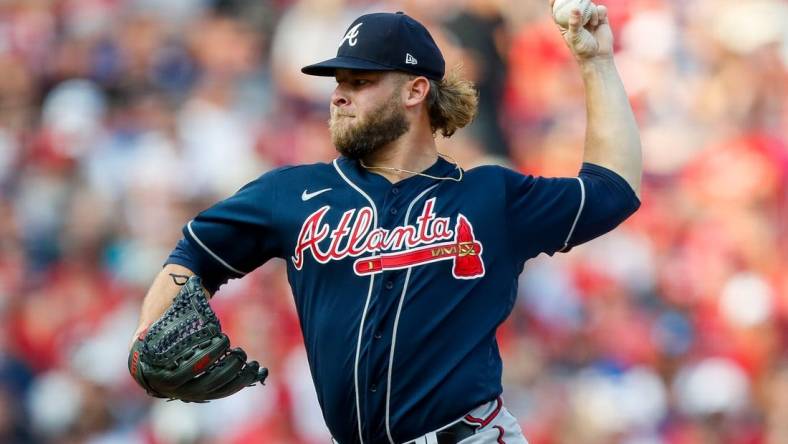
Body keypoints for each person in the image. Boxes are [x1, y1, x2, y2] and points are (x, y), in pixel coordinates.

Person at [131, 3, 642, 443]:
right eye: (339, 83)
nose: (339, 95)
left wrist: (595, 62)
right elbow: (194, 255)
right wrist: (144, 339)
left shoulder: (490, 196)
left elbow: (612, 190)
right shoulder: (292, 193)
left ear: (416, 90)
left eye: (361, 81)